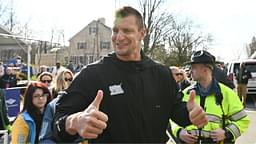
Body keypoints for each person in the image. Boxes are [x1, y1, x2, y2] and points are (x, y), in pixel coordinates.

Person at [52, 6, 207, 143]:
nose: (118, 37)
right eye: (115, 30)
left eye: (126, 31)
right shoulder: (92, 74)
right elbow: (57, 123)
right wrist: (74, 122)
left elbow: (176, 111)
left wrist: (190, 115)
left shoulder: (162, 74)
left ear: (142, 33)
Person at [171, 50, 250, 144]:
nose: (190, 71)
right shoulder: (186, 93)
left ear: (205, 69)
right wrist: (179, 132)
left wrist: (226, 133)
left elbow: (243, 120)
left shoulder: (226, 93)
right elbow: (173, 119)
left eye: (193, 68)